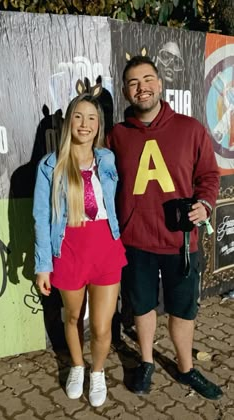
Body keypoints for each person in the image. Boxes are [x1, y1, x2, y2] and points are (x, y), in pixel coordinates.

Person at [107, 55, 223, 400]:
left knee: (182, 309)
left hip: (180, 242)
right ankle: (146, 362)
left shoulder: (190, 129)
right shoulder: (117, 135)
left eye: (147, 80)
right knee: (141, 307)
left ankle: (186, 368)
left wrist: (204, 204)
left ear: (159, 84)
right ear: (127, 92)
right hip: (135, 241)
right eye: (132, 83)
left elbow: (209, 176)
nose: (141, 88)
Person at [33, 79, 127, 408]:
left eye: (91, 118)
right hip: (68, 248)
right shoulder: (50, 165)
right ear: (68, 121)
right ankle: (76, 365)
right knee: (72, 317)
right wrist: (43, 264)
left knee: (102, 328)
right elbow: (41, 217)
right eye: (78, 116)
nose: (84, 124)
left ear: (99, 125)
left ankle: (97, 371)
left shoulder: (108, 159)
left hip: (104, 246)